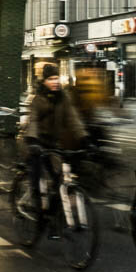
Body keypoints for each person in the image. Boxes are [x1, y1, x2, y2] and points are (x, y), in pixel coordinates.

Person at [24, 62, 86, 214]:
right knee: (37, 173)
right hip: (35, 142)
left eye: (56, 78)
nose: (55, 82)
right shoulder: (38, 98)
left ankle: (53, 213)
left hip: (52, 143)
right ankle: (34, 201)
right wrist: (32, 140)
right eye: (51, 78)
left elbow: (73, 119)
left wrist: (84, 137)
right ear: (44, 81)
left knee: (58, 178)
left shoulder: (63, 98)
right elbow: (33, 120)